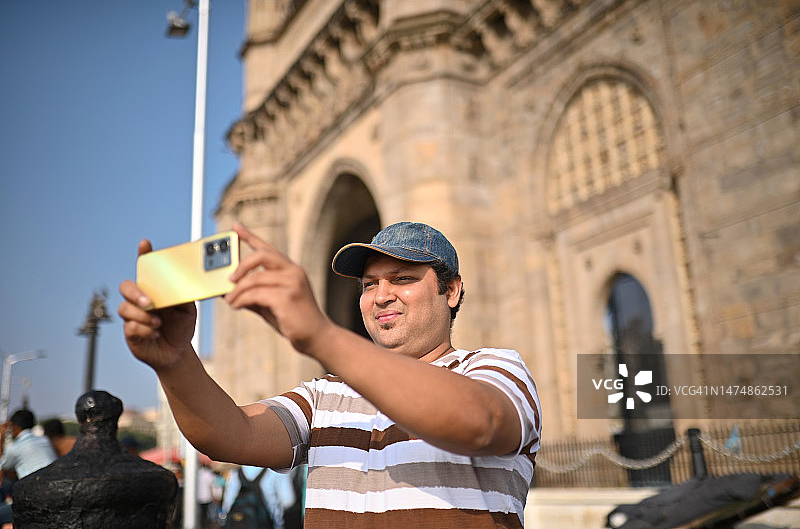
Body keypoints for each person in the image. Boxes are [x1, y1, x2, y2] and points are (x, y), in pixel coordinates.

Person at [119, 221, 542, 527]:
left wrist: (321, 336)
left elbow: (478, 422)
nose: (381, 296)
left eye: (403, 278)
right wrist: (175, 360)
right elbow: (231, 435)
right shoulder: (326, 393)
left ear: (450, 290)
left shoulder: (493, 368)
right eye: (369, 284)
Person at [0, 409, 57, 527]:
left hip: (33, 500)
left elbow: (2, 466)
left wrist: (1, 437)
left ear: (16, 427)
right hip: (53, 494)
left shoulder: (15, 447)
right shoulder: (44, 440)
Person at [221, 465, 295, 529]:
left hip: (238, 522)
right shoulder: (278, 469)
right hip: (270, 523)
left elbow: (227, 503)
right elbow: (288, 501)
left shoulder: (236, 469)